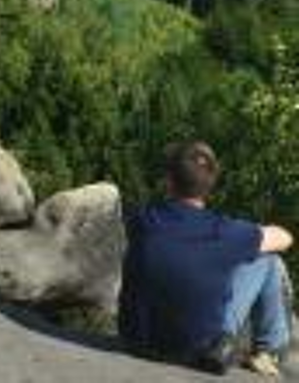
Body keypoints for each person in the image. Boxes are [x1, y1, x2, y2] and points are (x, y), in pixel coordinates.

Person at [119, 140, 293, 377]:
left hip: (136, 342)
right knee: (268, 261)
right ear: (210, 186)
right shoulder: (224, 232)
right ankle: (268, 352)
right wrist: (247, 237)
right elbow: (285, 237)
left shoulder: (143, 220)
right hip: (198, 352)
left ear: (168, 181)